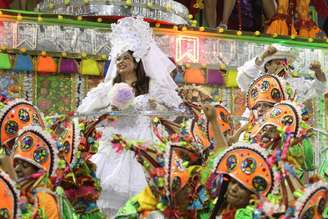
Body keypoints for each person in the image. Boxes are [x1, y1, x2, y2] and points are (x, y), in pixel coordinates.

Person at [76, 17, 183, 216]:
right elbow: (84, 112)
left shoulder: (152, 86)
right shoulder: (108, 88)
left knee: (143, 202)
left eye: (125, 57)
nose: (121, 62)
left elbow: (176, 112)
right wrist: (108, 110)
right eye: (118, 58)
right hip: (113, 149)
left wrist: (155, 105)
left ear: (136, 60)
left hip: (142, 149)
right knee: (107, 200)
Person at [237, 46, 327, 103]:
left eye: (283, 63)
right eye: (277, 63)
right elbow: (242, 78)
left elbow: (319, 89)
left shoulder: (294, 83)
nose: (282, 66)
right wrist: (262, 57)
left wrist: (318, 71)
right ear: (267, 65)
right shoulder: (258, 81)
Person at [12, 127, 62, 219]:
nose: (17, 169)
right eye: (16, 164)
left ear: (38, 171)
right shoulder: (14, 193)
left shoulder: (45, 199)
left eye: (25, 165)